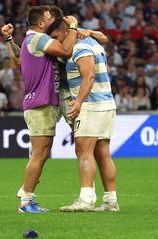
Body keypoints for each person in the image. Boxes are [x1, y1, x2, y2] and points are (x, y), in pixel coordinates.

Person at [1, 5, 78, 213]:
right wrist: (73, 28)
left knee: (40, 153)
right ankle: (26, 201)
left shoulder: (31, 40)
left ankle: (27, 196)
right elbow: (66, 51)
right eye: (48, 16)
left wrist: (9, 40)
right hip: (40, 103)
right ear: (41, 23)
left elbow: (17, 59)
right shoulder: (39, 38)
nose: (51, 18)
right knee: (40, 154)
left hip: (39, 102)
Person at [49, 19, 119, 212]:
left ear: (65, 31)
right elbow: (104, 38)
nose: (55, 41)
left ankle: (86, 199)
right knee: (103, 154)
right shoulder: (91, 40)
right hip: (106, 103)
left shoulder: (79, 46)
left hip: (91, 104)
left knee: (83, 151)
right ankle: (110, 201)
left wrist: (79, 101)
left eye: (55, 37)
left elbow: (89, 75)